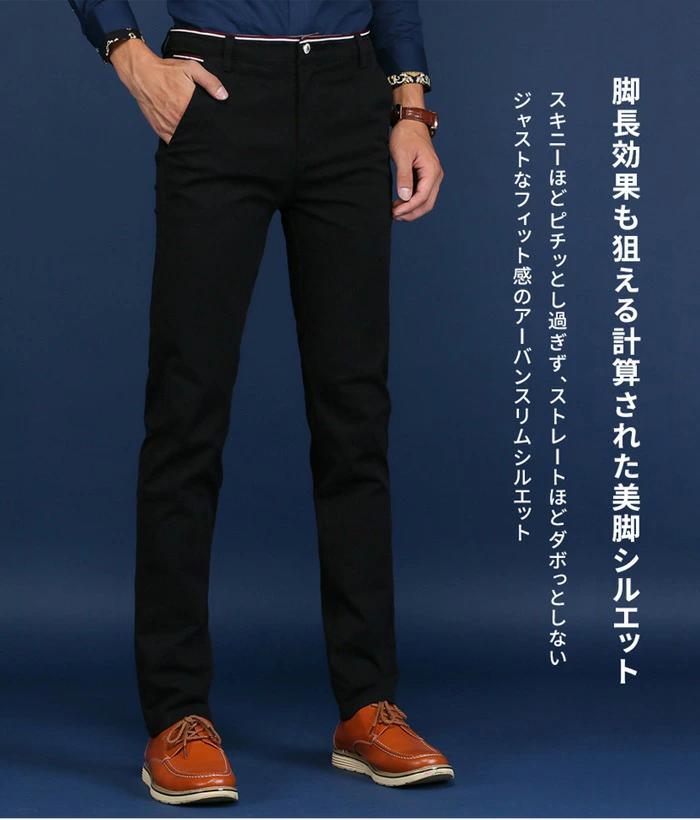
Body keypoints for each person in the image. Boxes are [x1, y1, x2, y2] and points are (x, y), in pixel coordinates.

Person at [68, 0, 450, 804]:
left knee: (355, 417)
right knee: (187, 411)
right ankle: (177, 714)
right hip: (218, 91)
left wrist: (411, 108)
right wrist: (128, 53)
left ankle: (368, 705)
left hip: (349, 95)